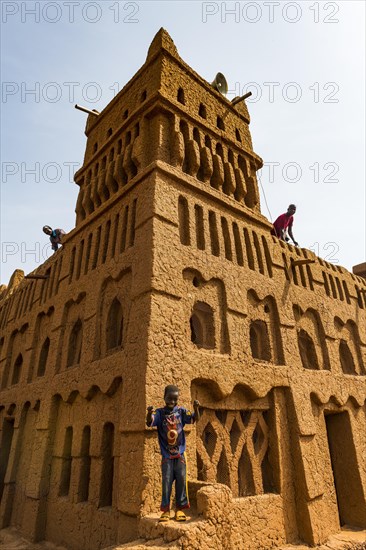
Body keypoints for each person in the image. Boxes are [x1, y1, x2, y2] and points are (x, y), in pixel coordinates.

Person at [146, 385, 200, 523]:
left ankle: (180, 509)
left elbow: (194, 419)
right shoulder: (159, 413)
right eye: (169, 398)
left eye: (175, 399)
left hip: (180, 454)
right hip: (167, 456)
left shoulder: (181, 412)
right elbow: (149, 422)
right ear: (164, 397)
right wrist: (148, 413)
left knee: (181, 480)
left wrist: (197, 409)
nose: (172, 402)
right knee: (166, 482)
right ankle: (165, 510)